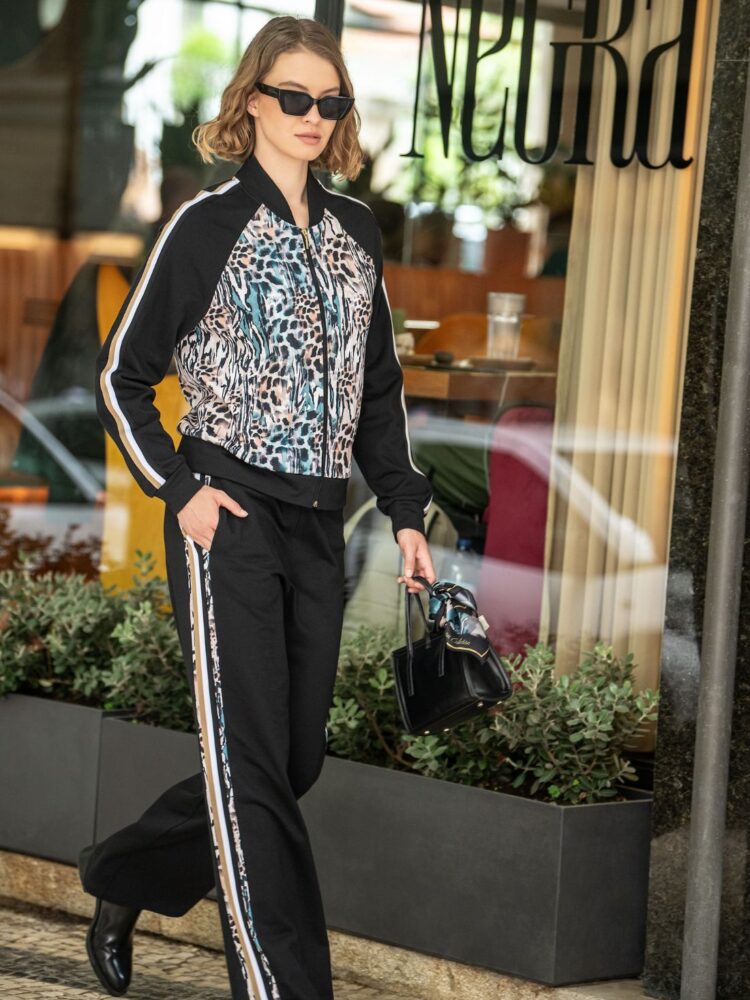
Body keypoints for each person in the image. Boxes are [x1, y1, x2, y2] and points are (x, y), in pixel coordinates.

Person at [76, 14, 436, 1000]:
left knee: (290, 760)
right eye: (294, 97)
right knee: (253, 774)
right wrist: (180, 489)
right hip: (225, 516)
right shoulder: (206, 226)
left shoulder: (358, 232)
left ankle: (124, 875)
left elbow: (376, 390)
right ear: (252, 102)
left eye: (331, 100)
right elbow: (121, 376)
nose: (314, 115)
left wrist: (406, 511)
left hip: (320, 522)